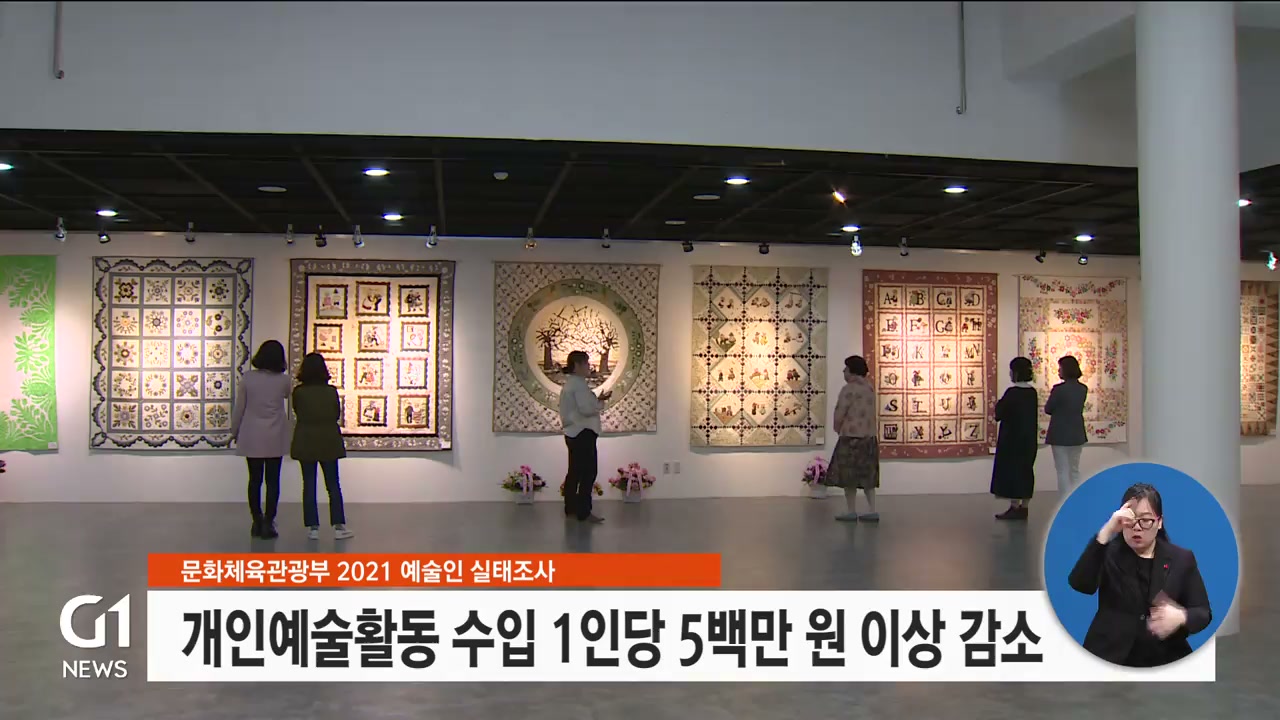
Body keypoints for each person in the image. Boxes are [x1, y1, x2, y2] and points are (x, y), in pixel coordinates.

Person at [1067, 483, 1211, 667]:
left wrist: (1181, 617)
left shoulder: (1181, 559)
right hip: (1110, 656)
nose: (1137, 527)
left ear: (1159, 522)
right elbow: (1080, 584)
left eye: (1146, 520)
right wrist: (1106, 532)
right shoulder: (1107, 553)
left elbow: (1203, 612)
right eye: (1130, 519)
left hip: (1164, 658)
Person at [229, 340, 293, 539]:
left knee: (254, 480)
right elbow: (288, 399)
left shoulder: (248, 378)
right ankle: (269, 521)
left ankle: (256, 520)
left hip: (252, 434)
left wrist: (234, 431)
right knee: (273, 481)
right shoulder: (284, 380)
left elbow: (240, 407)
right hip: (275, 434)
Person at [291, 353, 353, 540]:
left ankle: (313, 528)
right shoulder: (331, 391)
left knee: (309, 484)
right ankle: (339, 526)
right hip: (328, 439)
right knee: (333, 484)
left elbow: (298, 412)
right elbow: (336, 414)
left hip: (305, 439)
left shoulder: (299, 392)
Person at [823, 355, 880, 521]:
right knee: (868, 477)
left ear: (852, 371)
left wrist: (837, 428)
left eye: (846, 369)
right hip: (869, 438)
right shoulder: (869, 388)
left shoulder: (849, 389)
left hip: (851, 437)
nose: (843, 371)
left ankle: (851, 510)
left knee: (849, 477)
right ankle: (872, 510)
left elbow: (840, 412)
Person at [558, 350, 610, 524]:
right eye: (586, 363)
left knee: (574, 472)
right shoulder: (578, 385)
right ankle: (584, 512)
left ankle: (571, 507)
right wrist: (599, 402)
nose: (589, 367)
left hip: (572, 432)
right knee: (588, 472)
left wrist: (596, 400)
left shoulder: (570, 384)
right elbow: (587, 409)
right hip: (583, 432)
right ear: (577, 365)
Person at [991, 357, 1039, 520]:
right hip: (1028, 440)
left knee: (1013, 473)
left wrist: (999, 404)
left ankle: (1014, 506)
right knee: (1026, 472)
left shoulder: (1012, 393)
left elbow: (999, 414)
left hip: (1012, 440)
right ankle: (1024, 507)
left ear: (1016, 373)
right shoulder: (1032, 393)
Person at [1045, 354, 1088, 492]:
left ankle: (1064, 500)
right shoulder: (1083, 389)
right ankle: (1077, 499)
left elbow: (1048, 409)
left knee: (1062, 470)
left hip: (1059, 433)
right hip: (1077, 432)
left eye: (1060, 368)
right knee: (1074, 470)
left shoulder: (1058, 389)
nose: (1059, 371)